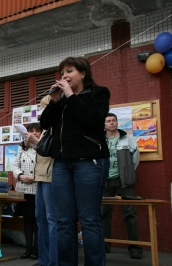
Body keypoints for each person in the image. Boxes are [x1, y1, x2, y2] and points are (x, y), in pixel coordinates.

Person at [40, 56, 110, 266]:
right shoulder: (60, 100)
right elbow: (44, 123)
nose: (64, 76)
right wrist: (54, 101)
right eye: (62, 74)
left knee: (89, 220)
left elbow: (93, 119)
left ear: (83, 73)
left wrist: (70, 96)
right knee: (63, 222)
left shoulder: (99, 93)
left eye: (69, 71)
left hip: (90, 162)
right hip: (62, 163)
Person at [101, 113, 143, 259]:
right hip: (105, 181)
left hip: (123, 181)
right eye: (108, 121)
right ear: (104, 125)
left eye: (114, 120)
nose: (112, 123)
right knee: (103, 214)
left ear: (117, 123)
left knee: (130, 213)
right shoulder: (100, 140)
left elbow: (135, 159)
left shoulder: (127, 138)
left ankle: (134, 248)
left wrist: (128, 173)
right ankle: (104, 246)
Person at [25, 95, 57, 266]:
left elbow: (52, 151)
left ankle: (53, 260)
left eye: (46, 107)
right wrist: (33, 143)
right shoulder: (45, 128)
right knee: (40, 218)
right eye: (43, 108)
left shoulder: (54, 127)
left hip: (52, 176)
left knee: (52, 219)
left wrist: (36, 141)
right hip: (40, 177)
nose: (44, 111)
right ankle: (43, 259)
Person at [13, 123, 41, 261]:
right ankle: (28, 249)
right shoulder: (21, 147)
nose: (34, 133)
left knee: (37, 221)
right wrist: (19, 175)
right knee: (27, 220)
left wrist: (34, 177)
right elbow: (15, 165)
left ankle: (37, 250)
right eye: (31, 131)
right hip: (24, 189)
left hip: (37, 188)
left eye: (37, 131)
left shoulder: (42, 147)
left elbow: (45, 166)